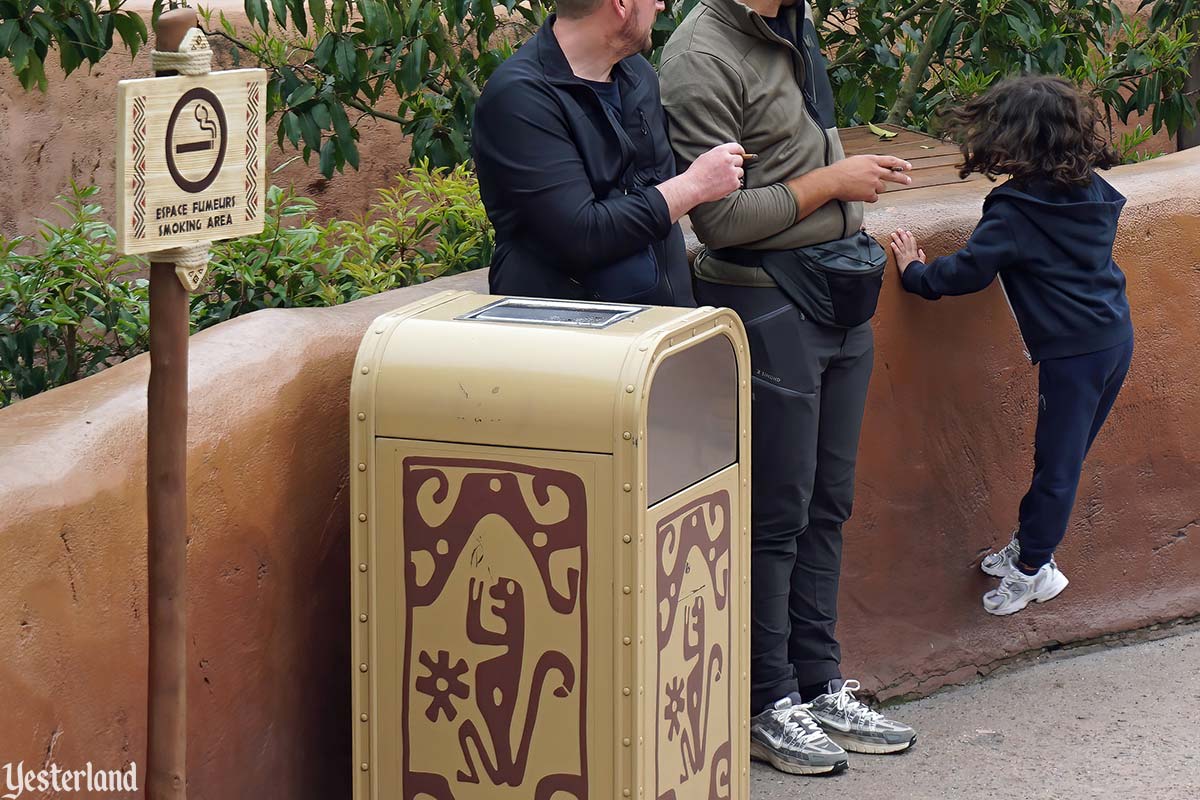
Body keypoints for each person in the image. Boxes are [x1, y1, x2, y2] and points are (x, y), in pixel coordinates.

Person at [659, 0, 917, 777]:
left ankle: (817, 683)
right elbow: (722, 221)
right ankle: (766, 704)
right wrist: (832, 180)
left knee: (828, 500)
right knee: (777, 508)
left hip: (838, 294)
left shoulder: (793, 24)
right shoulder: (702, 53)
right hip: (764, 298)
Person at [891, 75, 1133, 617]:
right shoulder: (1090, 188)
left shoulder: (1015, 211)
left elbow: (969, 271)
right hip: (1115, 338)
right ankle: (1030, 548)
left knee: (1056, 466)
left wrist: (915, 274)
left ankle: (1034, 570)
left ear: (1014, 139)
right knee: (1065, 459)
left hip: (1072, 356)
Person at [471, 0, 746, 305]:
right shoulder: (520, 97)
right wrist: (694, 185)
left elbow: (654, 193)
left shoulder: (638, 74)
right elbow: (581, 234)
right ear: (622, 4)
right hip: (572, 336)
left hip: (662, 324)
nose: (661, 5)